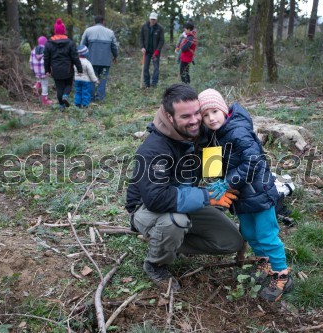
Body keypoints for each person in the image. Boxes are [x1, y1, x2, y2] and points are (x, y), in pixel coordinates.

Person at [125, 83, 244, 291]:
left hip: (186, 200)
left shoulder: (201, 134)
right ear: (170, 117)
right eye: (186, 117)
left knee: (230, 241)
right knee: (175, 222)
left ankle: (169, 242)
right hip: (146, 208)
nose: (195, 120)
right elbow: (157, 198)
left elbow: (212, 172)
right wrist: (207, 197)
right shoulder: (154, 149)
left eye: (197, 113)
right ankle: (156, 264)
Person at [198, 88, 293, 302]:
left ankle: (281, 275)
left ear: (224, 110)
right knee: (249, 232)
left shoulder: (237, 130)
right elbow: (213, 166)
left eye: (214, 111)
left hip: (258, 193)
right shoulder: (216, 134)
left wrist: (228, 181)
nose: (211, 118)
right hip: (242, 197)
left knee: (267, 235)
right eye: (205, 115)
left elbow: (254, 160)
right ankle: (264, 264)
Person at [44, 18, 83, 111]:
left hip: (55, 69)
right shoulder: (70, 43)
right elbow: (75, 57)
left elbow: (46, 58)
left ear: (55, 31)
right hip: (68, 69)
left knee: (59, 87)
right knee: (68, 84)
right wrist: (79, 69)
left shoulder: (49, 44)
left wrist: (47, 70)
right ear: (64, 31)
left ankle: (61, 106)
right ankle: (66, 95)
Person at [80, 15, 118, 102]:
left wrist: (81, 58)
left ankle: (91, 98)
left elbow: (82, 45)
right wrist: (115, 56)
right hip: (105, 62)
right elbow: (114, 46)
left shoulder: (88, 31)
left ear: (94, 22)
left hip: (91, 60)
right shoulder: (110, 32)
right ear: (103, 22)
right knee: (103, 79)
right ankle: (100, 98)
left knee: (91, 79)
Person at [139, 12, 165, 88]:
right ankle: (147, 84)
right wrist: (142, 47)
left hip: (155, 52)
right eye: (151, 19)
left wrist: (157, 50)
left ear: (156, 20)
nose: (153, 21)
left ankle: (154, 84)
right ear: (149, 18)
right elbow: (141, 38)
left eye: (154, 19)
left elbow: (161, 40)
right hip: (146, 51)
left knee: (156, 68)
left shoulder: (160, 28)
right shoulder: (144, 27)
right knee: (145, 67)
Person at [30, 36, 52, 106]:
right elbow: (49, 61)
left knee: (39, 80)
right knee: (45, 85)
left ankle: (35, 87)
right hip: (44, 71)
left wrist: (32, 70)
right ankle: (44, 101)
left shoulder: (33, 51)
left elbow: (30, 61)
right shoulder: (47, 50)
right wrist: (50, 69)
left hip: (36, 71)